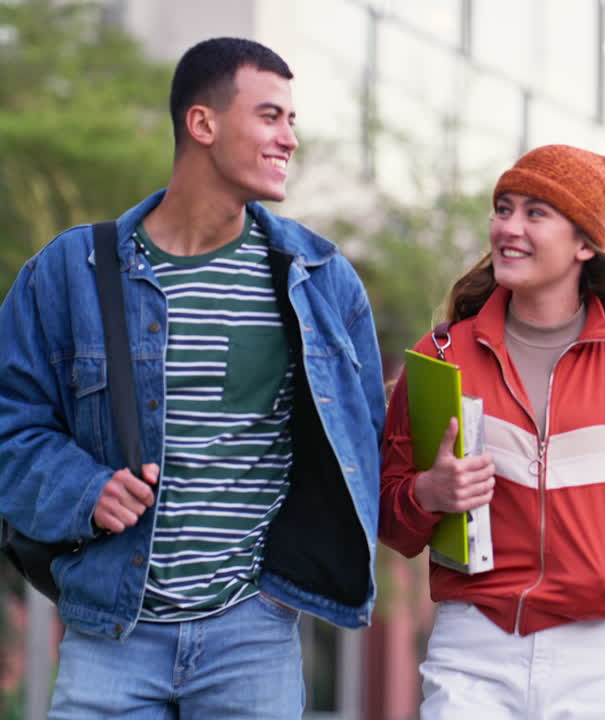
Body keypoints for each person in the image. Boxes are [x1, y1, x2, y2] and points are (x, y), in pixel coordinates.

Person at [0, 37, 385, 717]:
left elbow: (365, 443)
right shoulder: (69, 272)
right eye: (270, 116)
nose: (290, 138)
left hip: (253, 634)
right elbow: (10, 425)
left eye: (292, 120)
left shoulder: (321, 281)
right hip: (110, 635)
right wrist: (85, 489)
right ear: (202, 123)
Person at [379, 143, 605, 719]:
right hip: (473, 650)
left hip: (600, 655)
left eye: (535, 213)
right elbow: (392, 521)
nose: (508, 228)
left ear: (585, 244)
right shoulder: (440, 356)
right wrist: (428, 493)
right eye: (503, 209)